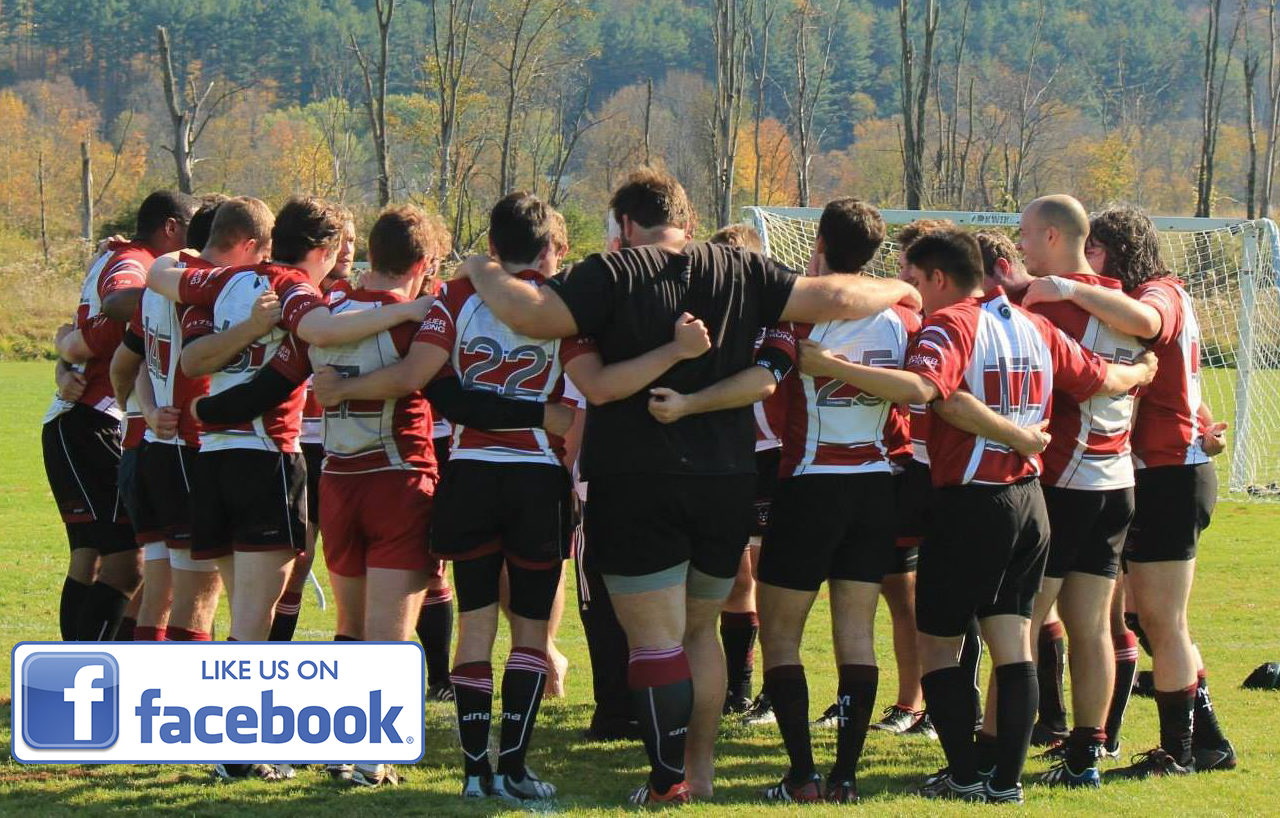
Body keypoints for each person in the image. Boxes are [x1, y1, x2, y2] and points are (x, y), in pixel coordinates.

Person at [455, 169, 922, 804]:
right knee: (701, 631)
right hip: (725, 478)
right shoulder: (739, 267)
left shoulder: (610, 270)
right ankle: (697, 772)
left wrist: (478, 267)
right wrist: (899, 285)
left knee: (653, 638)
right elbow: (834, 301)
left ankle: (666, 780)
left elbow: (527, 313)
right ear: (688, 220)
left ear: (624, 224)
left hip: (635, 475)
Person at [313, 191, 709, 801]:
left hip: (468, 475)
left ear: (492, 247)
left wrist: (345, 388)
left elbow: (431, 386)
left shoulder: (457, 295)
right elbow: (593, 390)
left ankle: (476, 774)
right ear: (553, 248)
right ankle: (515, 770)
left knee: (475, 630)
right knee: (529, 636)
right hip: (534, 479)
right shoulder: (565, 306)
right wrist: (668, 358)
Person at [804, 228, 1156, 803]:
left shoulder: (953, 325)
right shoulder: (1035, 326)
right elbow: (1099, 378)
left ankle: (966, 773)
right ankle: (1006, 782)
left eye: (914, 281)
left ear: (939, 278)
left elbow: (928, 391)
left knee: (938, 642)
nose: (910, 293)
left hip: (973, 501)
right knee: (1013, 640)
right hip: (1030, 503)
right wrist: (1141, 372)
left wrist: (829, 365)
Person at [647, 199, 915, 804]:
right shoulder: (902, 315)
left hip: (810, 486)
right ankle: (845, 775)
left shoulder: (798, 316)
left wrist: (688, 404)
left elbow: (765, 379)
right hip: (875, 486)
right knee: (855, 634)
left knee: (784, 636)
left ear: (818, 243)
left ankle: (803, 775)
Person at [146, 196, 432, 654]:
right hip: (265, 459)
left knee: (237, 607)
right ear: (323, 251)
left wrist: (206, 409)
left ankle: (216, 711)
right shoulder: (295, 287)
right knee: (252, 622)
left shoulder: (223, 278)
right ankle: (240, 718)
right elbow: (319, 330)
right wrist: (402, 310)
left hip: (212, 458)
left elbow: (172, 304)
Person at [1024, 204, 1237, 778]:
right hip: (1149, 470)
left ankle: (1180, 751)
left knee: (1163, 621)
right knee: (1139, 618)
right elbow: (1177, 383)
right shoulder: (1126, 300)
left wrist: (1063, 284)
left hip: (1168, 474)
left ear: (1116, 249)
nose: (1088, 260)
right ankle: (1203, 737)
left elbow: (1153, 326)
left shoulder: (1161, 291)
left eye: (1094, 250)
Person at [1006, 195, 1145, 786]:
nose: (1021, 246)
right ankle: (1086, 752)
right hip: (1118, 481)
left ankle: (999, 748)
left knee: (1022, 621)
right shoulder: (1127, 302)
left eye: (1027, 236)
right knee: (1089, 625)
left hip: (1066, 482)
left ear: (1056, 239)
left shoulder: (1055, 308)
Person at [106, 198, 273, 644]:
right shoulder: (204, 287)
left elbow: (135, 363)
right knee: (197, 593)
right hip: (188, 449)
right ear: (246, 243)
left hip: (157, 447)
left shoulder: (165, 276)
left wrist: (145, 409)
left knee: (160, 588)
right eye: (263, 252)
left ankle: (142, 692)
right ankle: (181, 699)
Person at [46, 190, 194, 641]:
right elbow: (119, 301)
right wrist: (191, 296)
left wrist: (68, 348)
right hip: (90, 420)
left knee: (92, 557)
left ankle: (69, 671)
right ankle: (83, 671)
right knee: (126, 562)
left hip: (83, 419)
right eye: (189, 231)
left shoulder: (120, 254)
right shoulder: (136, 262)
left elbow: (80, 330)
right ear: (170, 226)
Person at [708, 222, 769, 718]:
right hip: (725, 456)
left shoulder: (774, 313)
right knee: (732, 576)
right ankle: (737, 688)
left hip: (772, 456)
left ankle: (768, 685)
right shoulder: (706, 315)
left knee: (770, 578)